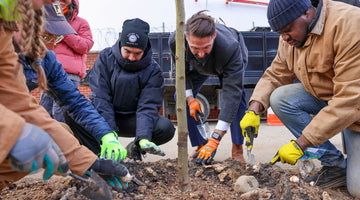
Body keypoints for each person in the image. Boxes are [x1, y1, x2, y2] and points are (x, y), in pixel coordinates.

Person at [0, 0, 128, 191]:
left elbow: (73, 102)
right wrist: (15, 130)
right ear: (21, 20)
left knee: (55, 136)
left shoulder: (44, 59)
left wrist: (90, 159)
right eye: (45, 32)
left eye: (55, 36)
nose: (49, 40)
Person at [239, 0, 360, 198]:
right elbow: (276, 74)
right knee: (281, 98)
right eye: (280, 33)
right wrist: (254, 108)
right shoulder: (290, 34)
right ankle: (335, 166)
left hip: (355, 108)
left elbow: (349, 100)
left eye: (287, 30)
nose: (284, 37)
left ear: (307, 13)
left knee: (357, 189)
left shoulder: (349, 25)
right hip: (332, 99)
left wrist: (301, 143)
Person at [88, 18, 176, 161]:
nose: (131, 57)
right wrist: (109, 134)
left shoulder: (153, 70)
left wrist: (143, 138)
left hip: (131, 119)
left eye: (137, 53)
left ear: (145, 49)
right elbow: (101, 97)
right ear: (121, 44)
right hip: (104, 116)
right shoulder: (105, 58)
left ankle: (134, 148)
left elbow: (147, 107)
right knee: (76, 116)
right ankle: (98, 154)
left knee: (165, 127)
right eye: (127, 51)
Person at [168, 10, 248, 164]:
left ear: (214, 36)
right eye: (195, 48)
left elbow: (232, 93)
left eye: (206, 47)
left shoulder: (231, 47)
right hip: (198, 68)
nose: (201, 53)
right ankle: (201, 144)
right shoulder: (175, 41)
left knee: (237, 98)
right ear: (186, 37)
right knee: (181, 97)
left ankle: (237, 149)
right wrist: (191, 100)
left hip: (225, 63)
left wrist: (216, 138)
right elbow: (181, 73)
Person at [39, 0, 93, 122]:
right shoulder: (46, 21)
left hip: (69, 75)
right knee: (44, 112)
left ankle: (65, 140)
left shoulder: (81, 23)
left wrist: (63, 31)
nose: (60, 3)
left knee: (60, 114)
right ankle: (45, 140)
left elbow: (85, 46)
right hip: (49, 73)